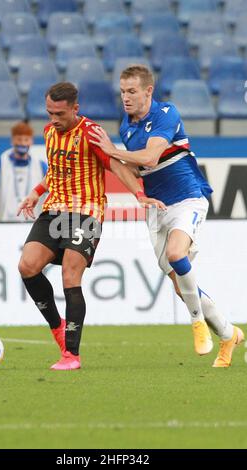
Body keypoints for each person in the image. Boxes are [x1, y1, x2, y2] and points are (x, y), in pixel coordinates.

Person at [89, 65, 244, 368]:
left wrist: (112, 150)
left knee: (176, 254)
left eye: (132, 91)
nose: (126, 98)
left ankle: (197, 322)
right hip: (156, 209)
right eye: (122, 92)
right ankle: (229, 335)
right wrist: (113, 164)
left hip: (188, 199)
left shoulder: (166, 114)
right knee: (179, 283)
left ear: (148, 91)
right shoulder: (126, 127)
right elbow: (136, 169)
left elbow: (149, 157)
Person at [17, 82, 165, 371]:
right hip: (54, 210)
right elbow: (56, 169)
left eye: (59, 114)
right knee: (27, 267)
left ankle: (71, 355)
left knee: (71, 274)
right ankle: (57, 326)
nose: (53, 120)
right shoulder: (49, 132)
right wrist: (36, 192)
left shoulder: (91, 133)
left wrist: (139, 194)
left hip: (86, 212)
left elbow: (117, 166)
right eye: (49, 113)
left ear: (75, 109)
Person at [0, 122, 47, 222]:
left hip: (33, 223)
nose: (23, 143)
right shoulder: (1, 162)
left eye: (26, 140)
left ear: (31, 141)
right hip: (5, 222)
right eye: (19, 139)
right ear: (12, 141)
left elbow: (52, 186)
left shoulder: (40, 165)